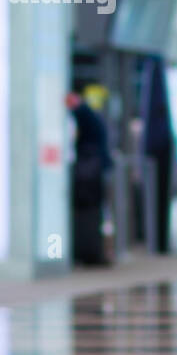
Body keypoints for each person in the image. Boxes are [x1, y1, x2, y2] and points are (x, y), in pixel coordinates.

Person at [66, 89, 111, 266]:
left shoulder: (82, 116)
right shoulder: (92, 117)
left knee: (87, 217)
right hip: (93, 174)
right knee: (93, 216)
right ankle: (92, 253)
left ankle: (89, 253)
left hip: (87, 176)